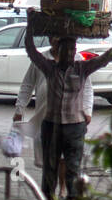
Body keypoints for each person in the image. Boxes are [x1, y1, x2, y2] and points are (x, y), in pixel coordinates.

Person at [23, 27, 112, 200]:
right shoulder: (49, 68)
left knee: (73, 170)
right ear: (58, 51)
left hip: (75, 128)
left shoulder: (82, 68)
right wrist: (31, 26)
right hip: (51, 126)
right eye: (66, 49)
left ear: (76, 51)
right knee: (50, 171)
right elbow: (31, 51)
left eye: (73, 50)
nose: (70, 53)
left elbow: (103, 60)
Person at [13, 44, 95, 172]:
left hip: (70, 118)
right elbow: (27, 84)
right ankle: (50, 187)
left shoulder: (77, 60)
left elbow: (88, 87)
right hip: (46, 117)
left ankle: (62, 189)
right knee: (48, 158)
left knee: (65, 158)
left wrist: (87, 109)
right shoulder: (41, 59)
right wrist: (19, 108)